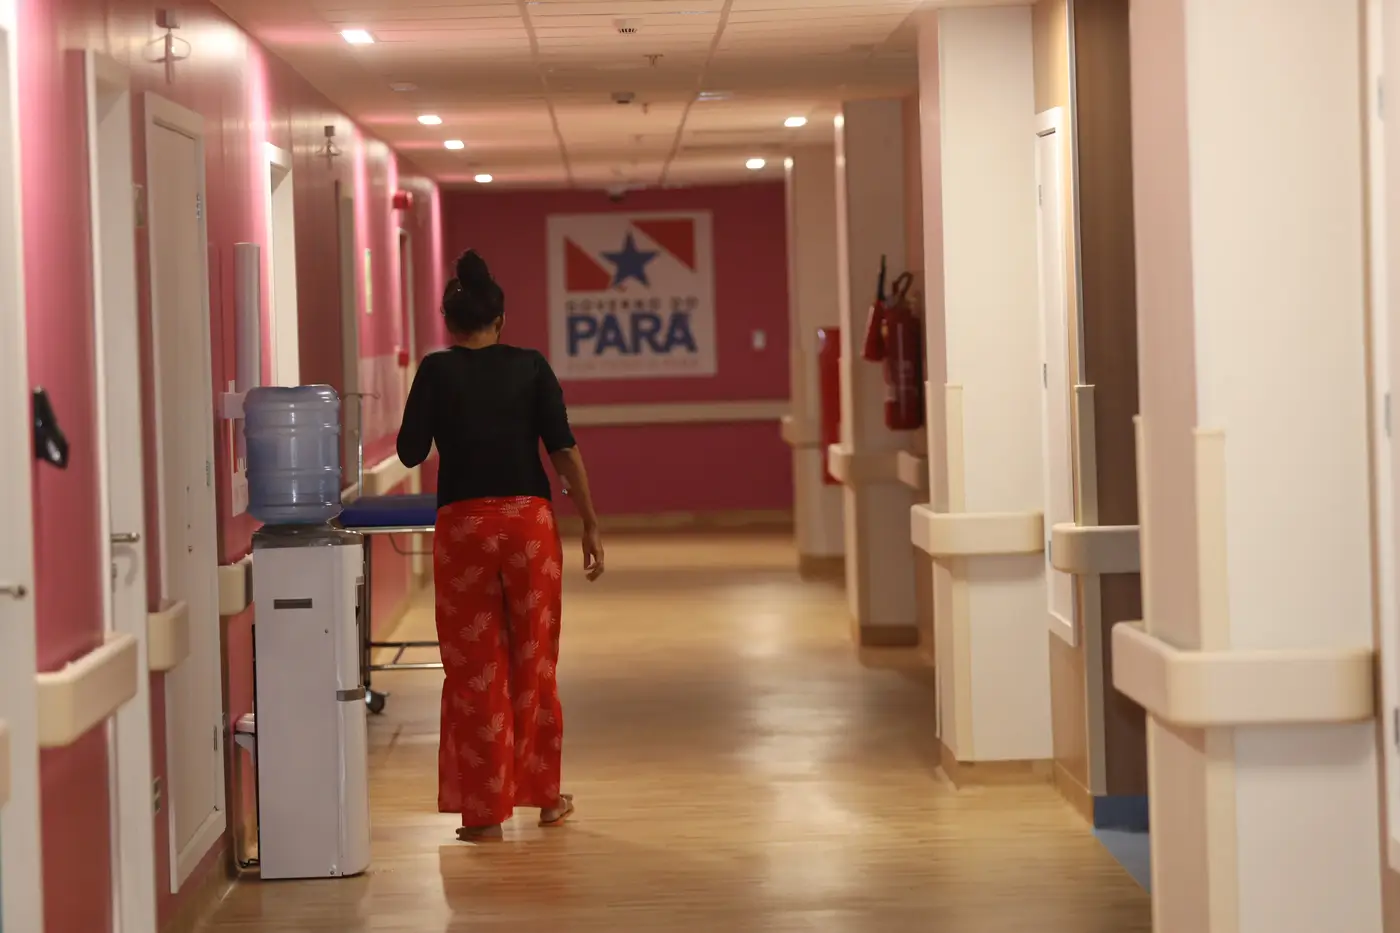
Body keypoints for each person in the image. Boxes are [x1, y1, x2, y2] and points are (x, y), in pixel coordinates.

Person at [396, 248, 604, 842]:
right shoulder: (531, 366)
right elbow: (563, 450)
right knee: (533, 659)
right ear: (500, 320)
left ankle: (484, 813)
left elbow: (410, 452)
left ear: (449, 323)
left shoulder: (435, 371)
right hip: (527, 527)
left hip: (463, 529)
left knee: (474, 668)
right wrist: (590, 522)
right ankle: (546, 797)